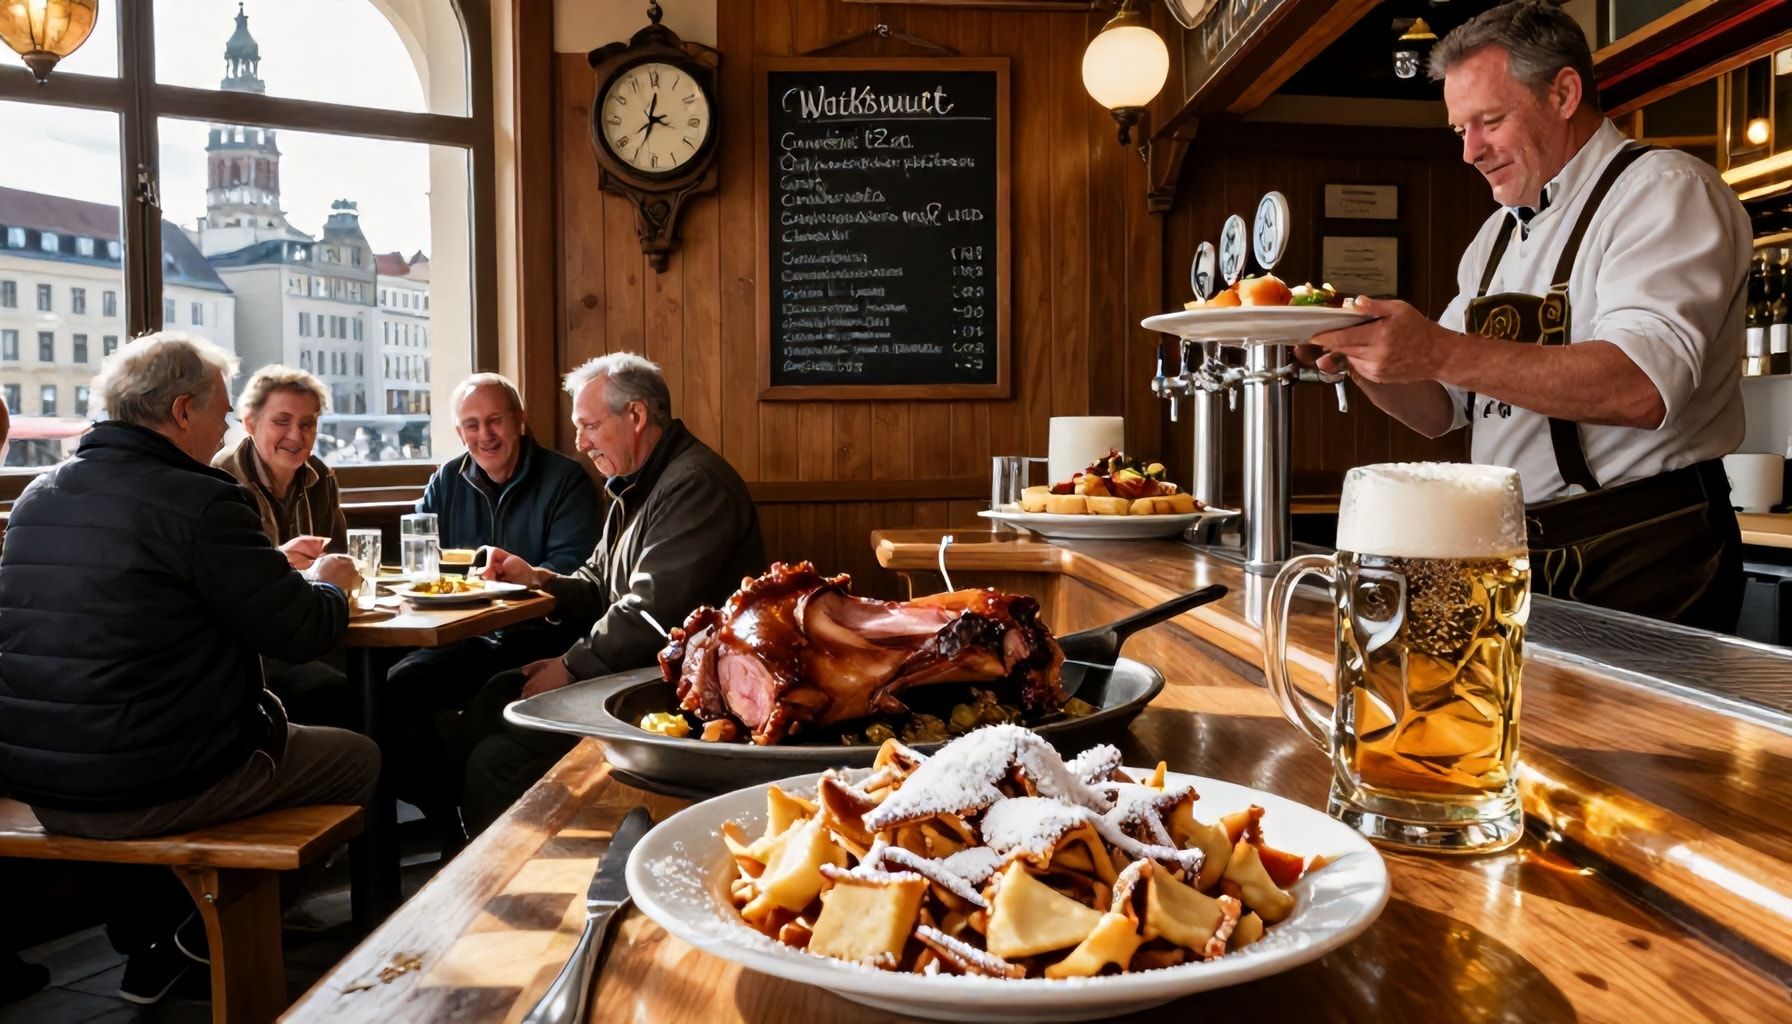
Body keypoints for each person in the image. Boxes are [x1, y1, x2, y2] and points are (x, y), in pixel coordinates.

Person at [1311, 0, 1748, 631]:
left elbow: (1641, 389)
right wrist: (1361, 355)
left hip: (1645, 545)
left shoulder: (1665, 191)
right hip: (1514, 545)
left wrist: (1434, 347)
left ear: (1564, 92)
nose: (1470, 152)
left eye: (1488, 122)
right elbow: (1440, 409)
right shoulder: (1494, 236)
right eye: (1459, 130)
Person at [0, 333, 379, 1004]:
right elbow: (302, 630)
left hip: (42, 784)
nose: (226, 426)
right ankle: (209, 938)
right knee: (360, 758)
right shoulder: (202, 502)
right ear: (181, 411)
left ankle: (158, 941)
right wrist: (329, 581)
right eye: (223, 411)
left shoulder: (36, 497)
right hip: (150, 783)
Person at [456, 353, 764, 834]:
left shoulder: (696, 484)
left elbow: (650, 613)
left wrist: (570, 667)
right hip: (636, 674)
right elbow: (600, 580)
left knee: (497, 757)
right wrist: (539, 579)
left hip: (679, 696)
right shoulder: (637, 483)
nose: (580, 443)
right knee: (489, 702)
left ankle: (511, 890)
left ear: (636, 416)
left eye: (589, 426)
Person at [382, 372, 600, 843]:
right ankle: (450, 825)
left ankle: (463, 826)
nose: (485, 435)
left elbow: (575, 574)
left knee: (482, 705)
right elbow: (425, 564)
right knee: (395, 689)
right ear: (459, 432)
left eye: (495, 421)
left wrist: (516, 578)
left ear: (519, 421)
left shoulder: (565, 480)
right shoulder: (447, 478)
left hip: (540, 638)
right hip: (467, 636)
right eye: (472, 425)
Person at [214, 366, 350, 724]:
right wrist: (278, 562)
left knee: (390, 676)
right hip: (252, 650)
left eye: (307, 424)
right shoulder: (221, 482)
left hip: (315, 629)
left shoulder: (322, 477)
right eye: (282, 421)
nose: (296, 435)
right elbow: (224, 592)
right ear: (249, 423)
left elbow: (342, 561)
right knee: (343, 690)